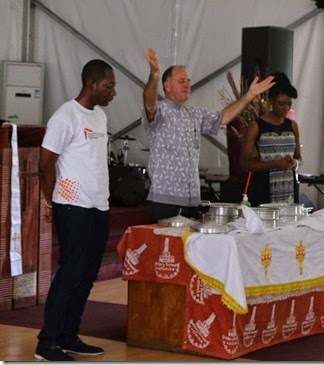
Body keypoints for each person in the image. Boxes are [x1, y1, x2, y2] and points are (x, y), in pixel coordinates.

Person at [36, 59, 116, 361]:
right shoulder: (65, 116)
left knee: (86, 276)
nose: (113, 92)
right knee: (70, 273)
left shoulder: (100, 118)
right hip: (73, 206)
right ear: (91, 84)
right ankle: (47, 343)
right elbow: (46, 164)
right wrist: (50, 201)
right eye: (109, 85)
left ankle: (69, 336)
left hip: (99, 205)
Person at [142, 48, 274, 223]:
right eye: (181, 81)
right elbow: (150, 105)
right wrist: (154, 75)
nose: (187, 84)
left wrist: (248, 96)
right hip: (165, 200)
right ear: (167, 86)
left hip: (192, 201)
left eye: (188, 81)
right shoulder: (161, 111)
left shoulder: (194, 114)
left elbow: (224, 118)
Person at [239, 72, 302, 206]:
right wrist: (275, 164)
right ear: (271, 101)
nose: (286, 108)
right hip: (263, 192)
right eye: (281, 103)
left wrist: (294, 163)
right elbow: (244, 164)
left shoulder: (292, 126)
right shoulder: (256, 126)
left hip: (289, 192)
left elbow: (299, 158)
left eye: (289, 104)